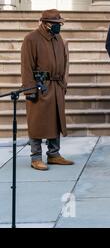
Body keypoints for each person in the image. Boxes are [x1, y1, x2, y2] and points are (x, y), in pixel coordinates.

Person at [21, 9, 74, 171]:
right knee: (37, 121)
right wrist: (30, 90)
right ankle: (36, 157)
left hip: (56, 85)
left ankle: (53, 154)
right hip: (40, 86)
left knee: (55, 120)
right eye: (56, 24)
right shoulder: (31, 39)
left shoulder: (58, 38)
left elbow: (65, 61)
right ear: (45, 24)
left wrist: (63, 84)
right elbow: (27, 66)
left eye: (60, 23)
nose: (59, 26)